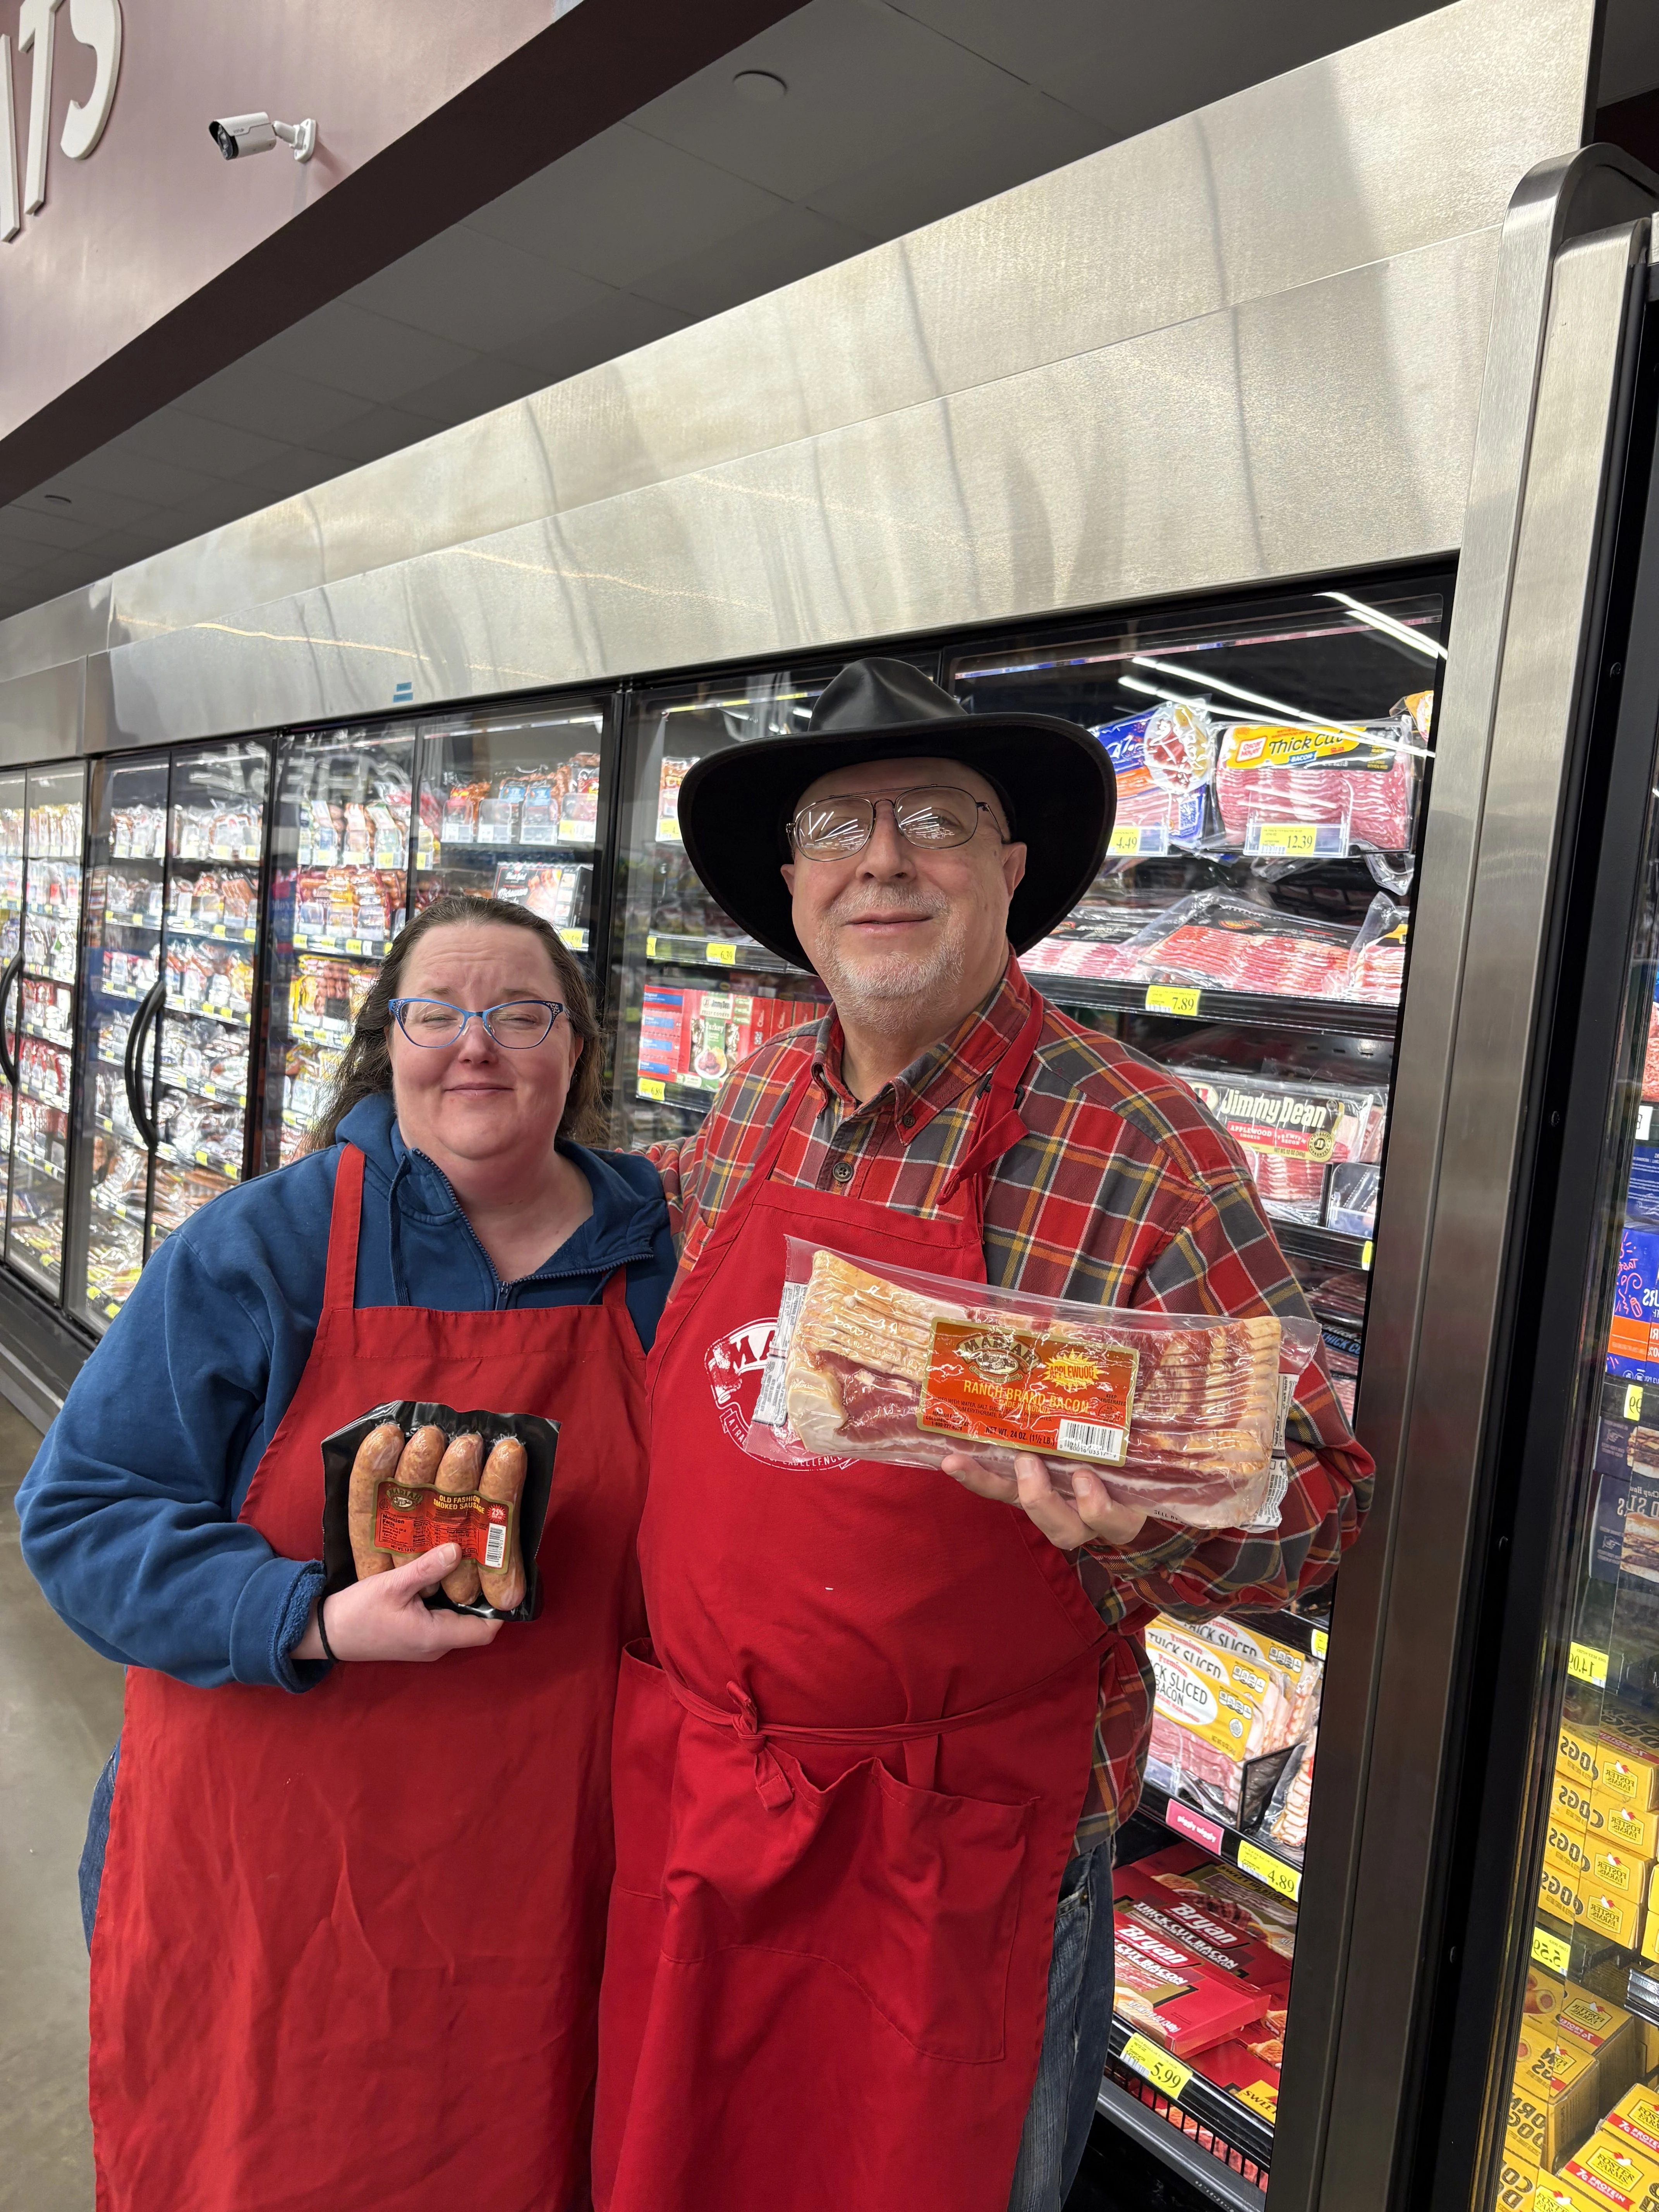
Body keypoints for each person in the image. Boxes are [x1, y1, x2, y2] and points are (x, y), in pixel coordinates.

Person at [593, 660, 1374, 2212]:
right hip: (710, 1804)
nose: (885, 858)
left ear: (1011, 871)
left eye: (937, 821)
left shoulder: (1141, 1140)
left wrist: (1151, 1512)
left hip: (968, 1859)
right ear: (795, 884)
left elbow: (1323, 1512)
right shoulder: (753, 1100)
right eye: (841, 828)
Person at [17, 892, 674, 2212]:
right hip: (288, 1885)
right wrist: (305, 1615)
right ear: (388, 1044)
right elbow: (82, 1513)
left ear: (578, 1052)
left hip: (555, 1873)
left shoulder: (661, 1258)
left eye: (521, 1015)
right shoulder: (265, 1246)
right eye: (438, 1014)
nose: (475, 1047)